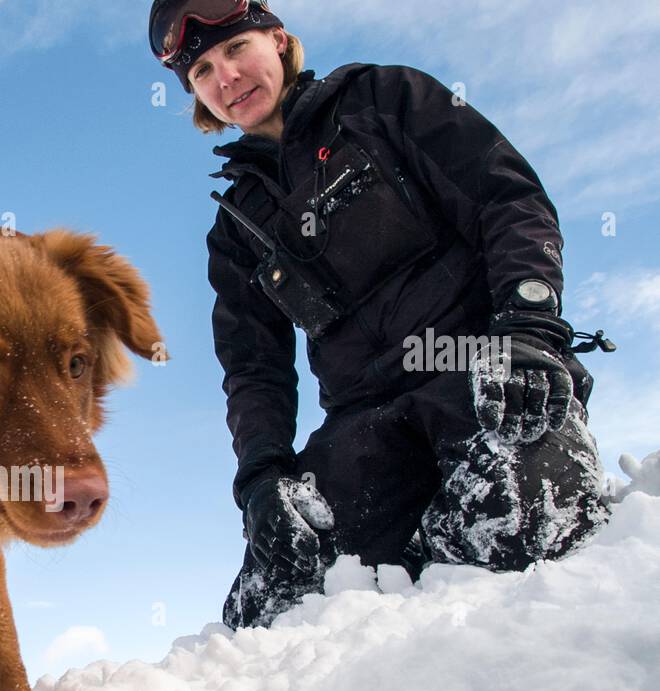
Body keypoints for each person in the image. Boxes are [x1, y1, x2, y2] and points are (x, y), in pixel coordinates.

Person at [148, 0, 615, 629]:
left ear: (279, 41)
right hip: (367, 427)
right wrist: (262, 478)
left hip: (486, 376)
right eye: (202, 71)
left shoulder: (385, 99)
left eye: (235, 50)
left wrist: (530, 327)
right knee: (274, 606)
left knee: (518, 539)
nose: (225, 78)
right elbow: (254, 367)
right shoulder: (237, 225)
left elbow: (507, 200)